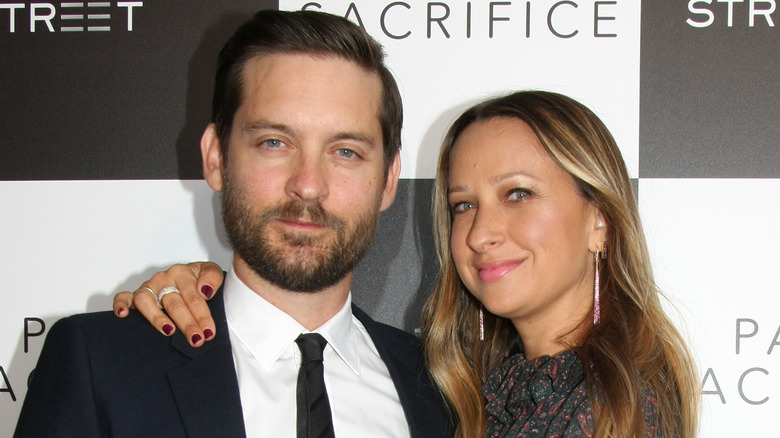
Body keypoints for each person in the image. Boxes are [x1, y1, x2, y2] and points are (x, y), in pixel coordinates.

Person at [119, 91, 700, 437]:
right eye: (463, 205)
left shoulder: (614, 406)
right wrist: (218, 295)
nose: (481, 233)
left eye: (518, 193)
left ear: (600, 218)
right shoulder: (458, 387)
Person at [14, 9, 452, 438]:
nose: (308, 185)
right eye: (274, 142)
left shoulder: (441, 390)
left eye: (345, 151)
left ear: (389, 179)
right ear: (216, 158)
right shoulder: (99, 365)